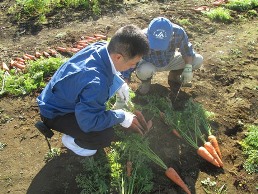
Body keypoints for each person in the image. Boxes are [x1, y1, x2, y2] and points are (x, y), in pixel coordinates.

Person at [36, 25, 150, 157]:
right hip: (55, 113)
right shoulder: (97, 84)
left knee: (101, 104)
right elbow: (90, 123)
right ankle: (72, 141)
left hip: (55, 96)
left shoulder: (101, 47)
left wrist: (119, 82)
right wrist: (121, 116)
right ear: (118, 57)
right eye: (132, 63)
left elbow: (106, 70)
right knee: (104, 136)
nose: (134, 67)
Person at [115, 17, 203, 108]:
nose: (157, 48)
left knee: (197, 60)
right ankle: (146, 83)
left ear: (171, 36)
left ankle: (174, 77)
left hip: (170, 60)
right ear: (148, 34)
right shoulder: (140, 38)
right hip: (150, 64)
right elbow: (127, 68)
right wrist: (122, 91)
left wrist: (188, 68)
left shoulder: (178, 33)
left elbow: (187, 51)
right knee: (144, 70)